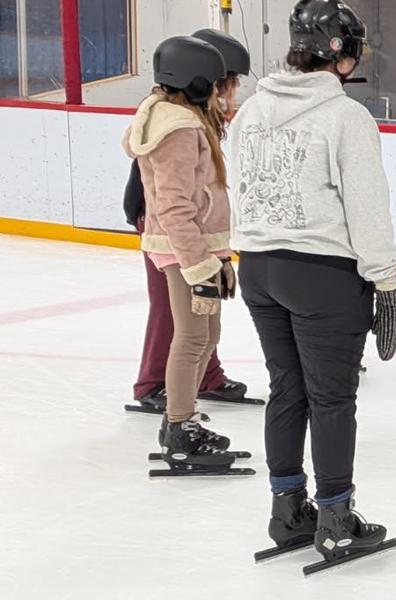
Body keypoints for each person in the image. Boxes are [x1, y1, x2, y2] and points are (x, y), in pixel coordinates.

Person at [229, 0, 396, 570]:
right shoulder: (345, 117)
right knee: (331, 398)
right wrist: (385, 278)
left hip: (258, 268)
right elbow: (367, 206)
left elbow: (245, 185)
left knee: (287, 388)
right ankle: (335, 521)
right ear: (342, 55)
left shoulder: (251, 109)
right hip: (320, 275)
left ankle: (288, 512)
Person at [125, 35, 246, 474]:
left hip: (199, 248)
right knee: (193, 338)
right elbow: (174, 205)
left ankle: (183, 419)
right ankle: (179, 429)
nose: (219, 91)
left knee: (207, 337)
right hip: (183, 251)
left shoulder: (179, 118)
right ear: (193, 81)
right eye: (214, 83)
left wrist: (220, 257)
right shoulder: (178, 128)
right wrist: (198, 265)